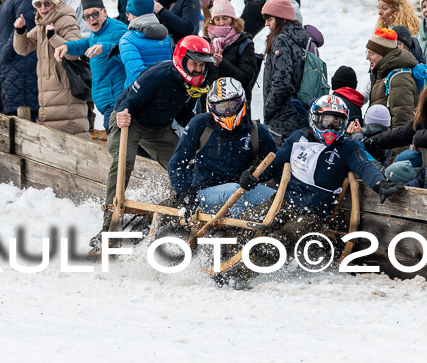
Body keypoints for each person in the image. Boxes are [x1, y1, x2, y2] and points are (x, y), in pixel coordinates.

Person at [216, 94, 404, 288]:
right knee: (246, 222)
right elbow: (275, 164)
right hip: (284, 202)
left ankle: (240, 274)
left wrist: (379, 183)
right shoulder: (298, 138)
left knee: (279, 240)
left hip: (313, 214)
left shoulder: (347, 148)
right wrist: (253, 177)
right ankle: (224, 260)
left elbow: (365, 167)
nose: (331, 128)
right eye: (326, 121)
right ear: (316, 119)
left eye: (337, 123)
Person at [91, 35, 215, 239]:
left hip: (158, 127)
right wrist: (122, 113)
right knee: (123, 163)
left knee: (183, 164)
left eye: (203, 65)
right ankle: (109, 226)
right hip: (130, 119)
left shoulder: (193, 83)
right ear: (182, 59)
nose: (199, 69)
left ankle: (174, 215)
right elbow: (128, 100)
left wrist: (203, 132)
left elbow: (183, 114)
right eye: (195, 63)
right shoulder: (157, 75)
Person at [169, 78, 277, 218]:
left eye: (232, 105)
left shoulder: (257, 131)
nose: (227, 112)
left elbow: (276, 166)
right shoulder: (200, 124)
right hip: (204, 193)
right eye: (221, 107)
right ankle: (240, 231)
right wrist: (186, 194)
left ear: (241, 102)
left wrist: (255, 175)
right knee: (234, 191)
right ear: (212, 107)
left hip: (243, 189)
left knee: (278, 198)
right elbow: (177, 163)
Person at [14, 0, 90, 139]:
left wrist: (53, 37)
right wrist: (20, 31)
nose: (42, 8)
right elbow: (23, 48)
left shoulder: (65, 20)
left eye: (47, 3)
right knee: (54, 141)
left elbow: (74, 52)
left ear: (56, 4)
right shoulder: (42, 24)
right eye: (38, 5)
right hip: (48, 94)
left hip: (65, 92)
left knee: (73, 138)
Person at [54, 0, 128, 131]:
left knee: (115, 146)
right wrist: (67, 46)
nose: (92, 19)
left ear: (105, 12)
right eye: (87, 16)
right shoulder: (97, 31)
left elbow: (127, 54)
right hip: (105, 100)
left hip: (117, 101)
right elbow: (86, 43)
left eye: (95, 14)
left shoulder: (119, 29)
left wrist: (105, 48)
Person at [260, 0, 309, 146]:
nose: (266, 24)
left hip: (281, 118)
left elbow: (281, 81)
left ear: (282, 19)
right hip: (298, 112)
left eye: (269, 19)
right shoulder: (301, 39)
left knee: (278, 163)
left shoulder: (281, 41)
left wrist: (268, 110)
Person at [202, 0, 258, 110]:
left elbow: (246, 78)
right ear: (212, 21)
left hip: (235, 105)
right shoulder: (207, 42)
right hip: (210, 104)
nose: (221, 22)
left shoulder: (244, 43)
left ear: (232, 19)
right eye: (217, 19)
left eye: (225, 18)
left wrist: (222, 64)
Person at [366, 28, 419, 134]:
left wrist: (396, 151)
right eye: (367, 53)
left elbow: (402, 123)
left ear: (384, 55)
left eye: (371, 53)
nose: (367, 57)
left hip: (393, 147)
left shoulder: (399, 79)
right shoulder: (382, 73)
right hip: (383, 144)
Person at [0, 0, 39, 119]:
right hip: (11, 64)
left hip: (21, 63)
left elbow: (26, 28)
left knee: (24, 113)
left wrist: (6, 51)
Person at [119, 0, 172, 88]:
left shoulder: (128, 39)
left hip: (139, 96)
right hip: (165, 92)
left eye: (128, 14)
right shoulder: (165, 36)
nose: (128, 19)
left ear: (135, 15)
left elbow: (136, 76)